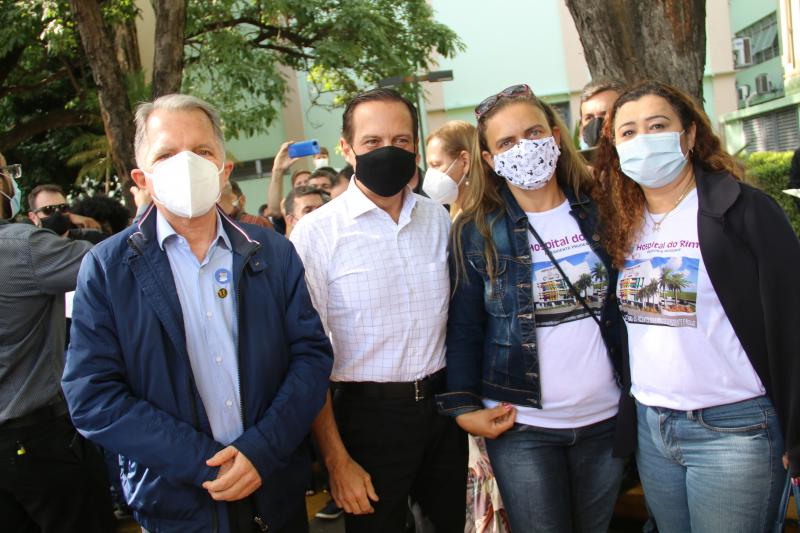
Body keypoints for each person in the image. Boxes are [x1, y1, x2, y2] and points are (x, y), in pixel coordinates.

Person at [61, 94, 333, 533]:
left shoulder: (274, 254)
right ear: (142, 177)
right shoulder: (108, 268)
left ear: (224, 170)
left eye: (202, 151)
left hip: (274, 489)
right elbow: (91, 396)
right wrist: (205, 465)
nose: (186, 165)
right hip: (176, 503)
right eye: (166, 154)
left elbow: (311, 357)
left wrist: (261, 449)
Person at [592, 80, 800, 532]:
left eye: (657, 125)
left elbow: (792, 321)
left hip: (735, 429)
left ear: (688, 136)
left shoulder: (744, 210)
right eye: (627, 132)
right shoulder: (620, 222)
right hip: (654, 428)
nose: (642, 139)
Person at [439, 84, 632, 533]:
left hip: (606, 420)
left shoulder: (601, 209)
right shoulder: (476, 230)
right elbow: (465, 325)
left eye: (533, 132)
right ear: (489, 160)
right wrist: (463, 405)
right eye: (506, 142)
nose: (524, 148)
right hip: (522, 427)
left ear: (555, 136)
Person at [290, 88, 468, 533]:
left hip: (443, 413)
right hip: (365, 421)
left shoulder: (438, 220)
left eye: (402, 141)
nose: (389, 151)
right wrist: (335, 458)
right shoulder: (315, 235)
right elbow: (305, 355)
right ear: (347, 149)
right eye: (372, 142)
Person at [0, 154, 115, 532]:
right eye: (7, 172)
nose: (12, 180)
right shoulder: (22, 247)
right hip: (36, 442)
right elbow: (111, 261)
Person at [422, 120, 475, 217]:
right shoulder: (455, 212)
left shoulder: (485, 216)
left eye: (435, 165)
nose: (430, 173)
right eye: (429, 166)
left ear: (465, 161)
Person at [27, 183, 102, 236]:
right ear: (33, 217)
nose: (58, 213)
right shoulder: (27, 250)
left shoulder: (90, 241)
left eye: (63, 208)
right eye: (48, 209)